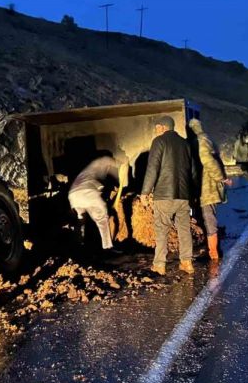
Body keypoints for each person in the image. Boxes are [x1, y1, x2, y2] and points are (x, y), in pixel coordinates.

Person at [141, 116, 196, 275]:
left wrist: (145, 192)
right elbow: (193, 172)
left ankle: (159, 265)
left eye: (157, 127)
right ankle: (186, 262)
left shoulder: (159, 142)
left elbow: (153, 168)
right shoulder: (185, 144)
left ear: (163, 127)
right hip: (183, 195)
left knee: (162, 230)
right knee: (184, 230)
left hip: (164, 195)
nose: (156, 130)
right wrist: (192, 194)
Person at [188, 118, 232, 261]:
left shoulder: (195, 141)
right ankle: (213, 252)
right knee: (209, 217)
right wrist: (221, 177)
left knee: (207, 217)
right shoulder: (204, 139)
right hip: (207, 186)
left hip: (202, 186)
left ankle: (213, 253)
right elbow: (209, 160)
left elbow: (205, 160)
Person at [68, 156, 128, 250]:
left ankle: (78, 248)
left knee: (80, 221)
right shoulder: (104, 162)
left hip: (73, 195)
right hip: (87, 192)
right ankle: (107, 247)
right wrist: (123, 163)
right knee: (102, 219)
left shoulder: (88, 171)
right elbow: (119, 167)